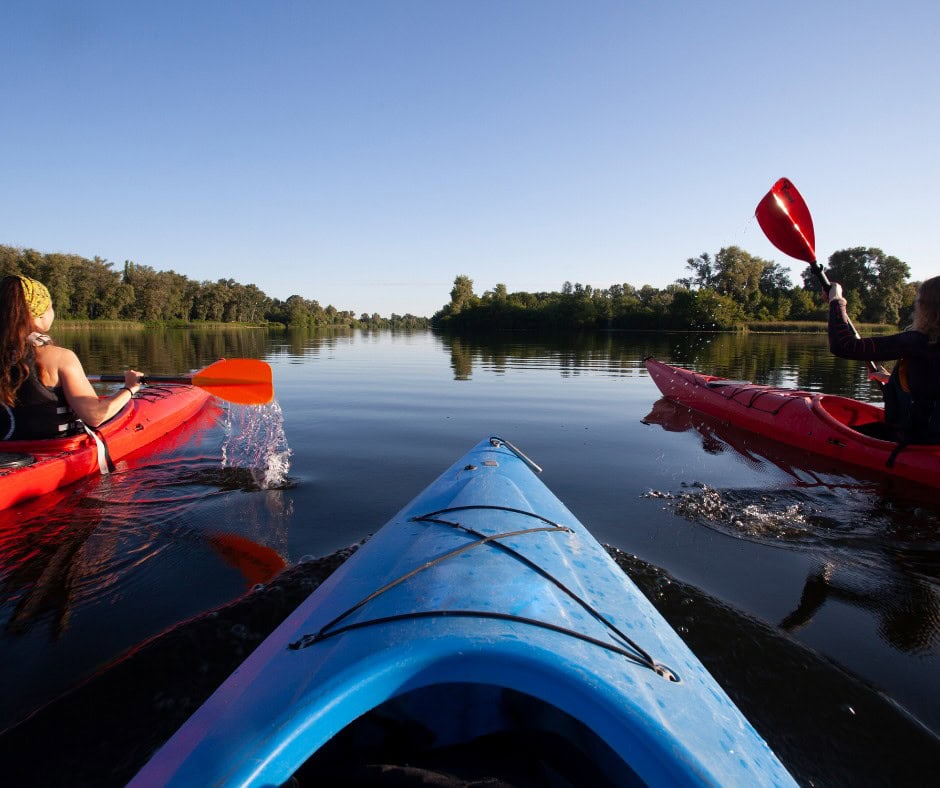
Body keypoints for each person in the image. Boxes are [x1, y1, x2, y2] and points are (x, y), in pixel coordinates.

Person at [0, 275, 144, 440]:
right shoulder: (60, 357)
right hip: (52, 451)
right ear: (39, 315)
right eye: (50, 306)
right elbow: (95, 416)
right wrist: (129, 388)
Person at [828, 276, 940, 445]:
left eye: (918, 302)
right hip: (930, 438)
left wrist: (836, 300)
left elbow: (844, 345)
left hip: (914, 442)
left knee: (832, 438)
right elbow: (931, 388)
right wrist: (891, 379)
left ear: (927, 308)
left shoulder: (918, 342)